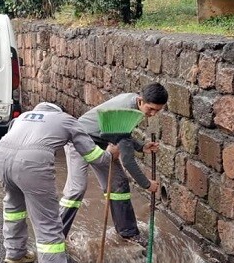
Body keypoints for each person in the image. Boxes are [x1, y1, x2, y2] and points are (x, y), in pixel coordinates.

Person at [0, 102, 118, 263]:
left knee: (13, 206)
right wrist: (110, 154)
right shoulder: (67, 120)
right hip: (32, 164)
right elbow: (94, 157)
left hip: (0, 158)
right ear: (58, 111)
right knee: (48, 227)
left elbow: (12, 138)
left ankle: (14, 254)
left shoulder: (22, 117)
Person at [59, 83, 169, 245]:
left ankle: (128, 233)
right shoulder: (125, 112)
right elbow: (128, 161)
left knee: (119, 183)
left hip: (100, 141)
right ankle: (55, 237)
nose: (152, 114)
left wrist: (141, 146)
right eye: (150, 109)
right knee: (77, 189)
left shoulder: (133, 104)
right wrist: (147, 184)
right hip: (79, 140)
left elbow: (121, 134)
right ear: (140, 100)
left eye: (157, 111)